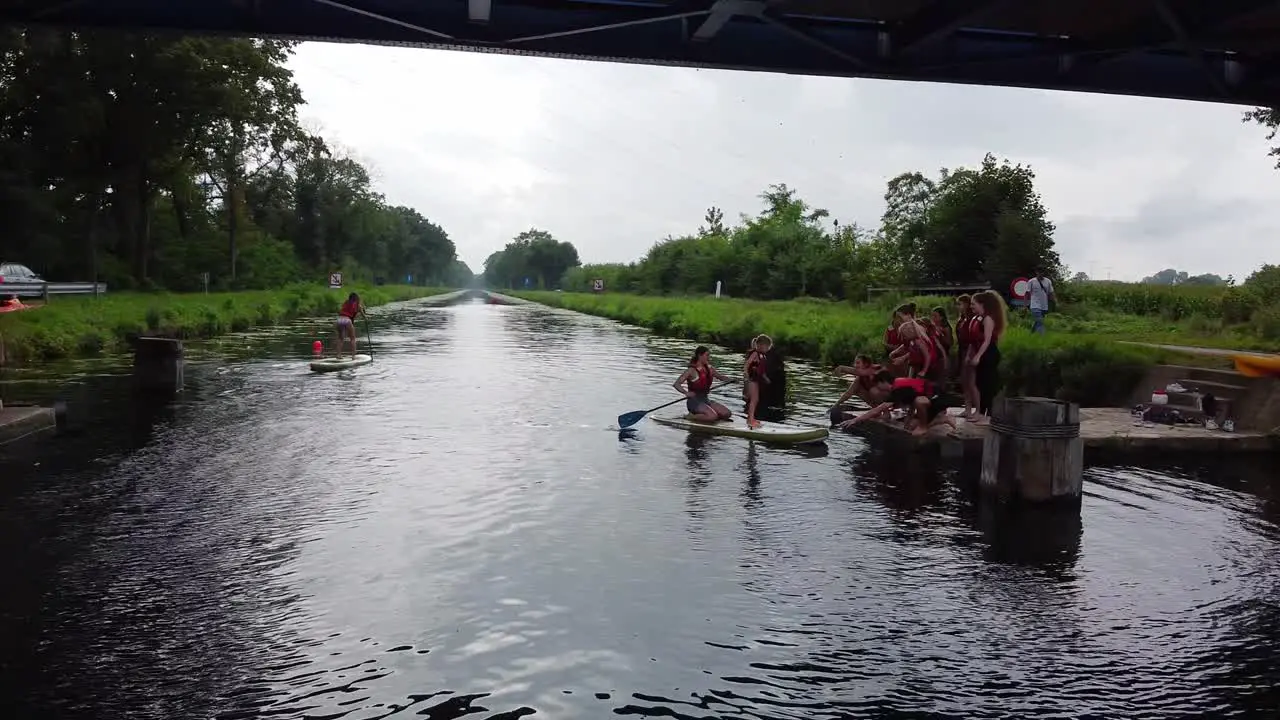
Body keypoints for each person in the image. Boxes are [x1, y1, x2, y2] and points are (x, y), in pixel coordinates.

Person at [837, 376, 957, 437]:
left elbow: (878, 410)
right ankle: (939, 418)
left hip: (939, 398)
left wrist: (856, 419)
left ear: (884, 382)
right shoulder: (900, 384)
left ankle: (939, 421)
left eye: (879, 386)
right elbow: (912, 398)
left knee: (920, 403)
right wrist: (909, 418)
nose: (879, 390)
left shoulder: (896, 389)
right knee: (911, 427)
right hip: (936, 399)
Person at [968, 290, 1008, 424]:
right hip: (983, 352)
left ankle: (989, 415)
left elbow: (987, 340)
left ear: (982, 304)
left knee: (988, 385)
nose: (972, 307)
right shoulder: (979, 318)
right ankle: (981, 412)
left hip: (989, 353)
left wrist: (978, 356)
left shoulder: (988, 319)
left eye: (974, 304)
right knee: (980, 383)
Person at [675, 346, 733, 422]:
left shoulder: (709, 368)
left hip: (705, 400)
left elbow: (720, 377)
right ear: (700, 355)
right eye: (707, 355)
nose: (709, 358)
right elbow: (677, 384)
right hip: (694, 402)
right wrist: (686, 393)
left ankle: (708, 416)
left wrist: (731, 380)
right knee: (712, 417)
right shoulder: (691, 370)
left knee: (727, 414)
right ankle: (691, 417)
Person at [742, 335, 772, 429]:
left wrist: (766, 378)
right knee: (754, 400)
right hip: (751, 379)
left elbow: (761, 370)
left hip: (756, 380)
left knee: (756, 400)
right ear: (761, 345)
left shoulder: (762, 355)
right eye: (767, 347)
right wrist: (746, 375)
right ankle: (750, 420)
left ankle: (751, 418)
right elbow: (747, 365)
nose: (768, 349)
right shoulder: (755, 353)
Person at [334, 292, 364, 359]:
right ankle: (353, 356)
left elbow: (343, 310)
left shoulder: (346, 302)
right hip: (347, 320)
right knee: (352, 338)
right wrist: (365, 318)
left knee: (340, 338)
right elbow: (362, 315)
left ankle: (338, 355)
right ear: (356, 298)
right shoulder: (358, 305)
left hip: (339, 320)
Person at [1028, 267, 1056, 334]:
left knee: (1038, 321)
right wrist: (1025, 304)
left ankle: (1031, 334)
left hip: (1044, 306)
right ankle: (1042, 336)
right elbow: (1027, 293)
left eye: (1042, 272)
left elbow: (1051, 292)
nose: (1041, 274)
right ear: (1036, 272)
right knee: (1040, 321)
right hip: (1034, 305)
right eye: (1039, 272)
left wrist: (1055, 301)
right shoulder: (1031, 281)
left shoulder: (1048, 281)